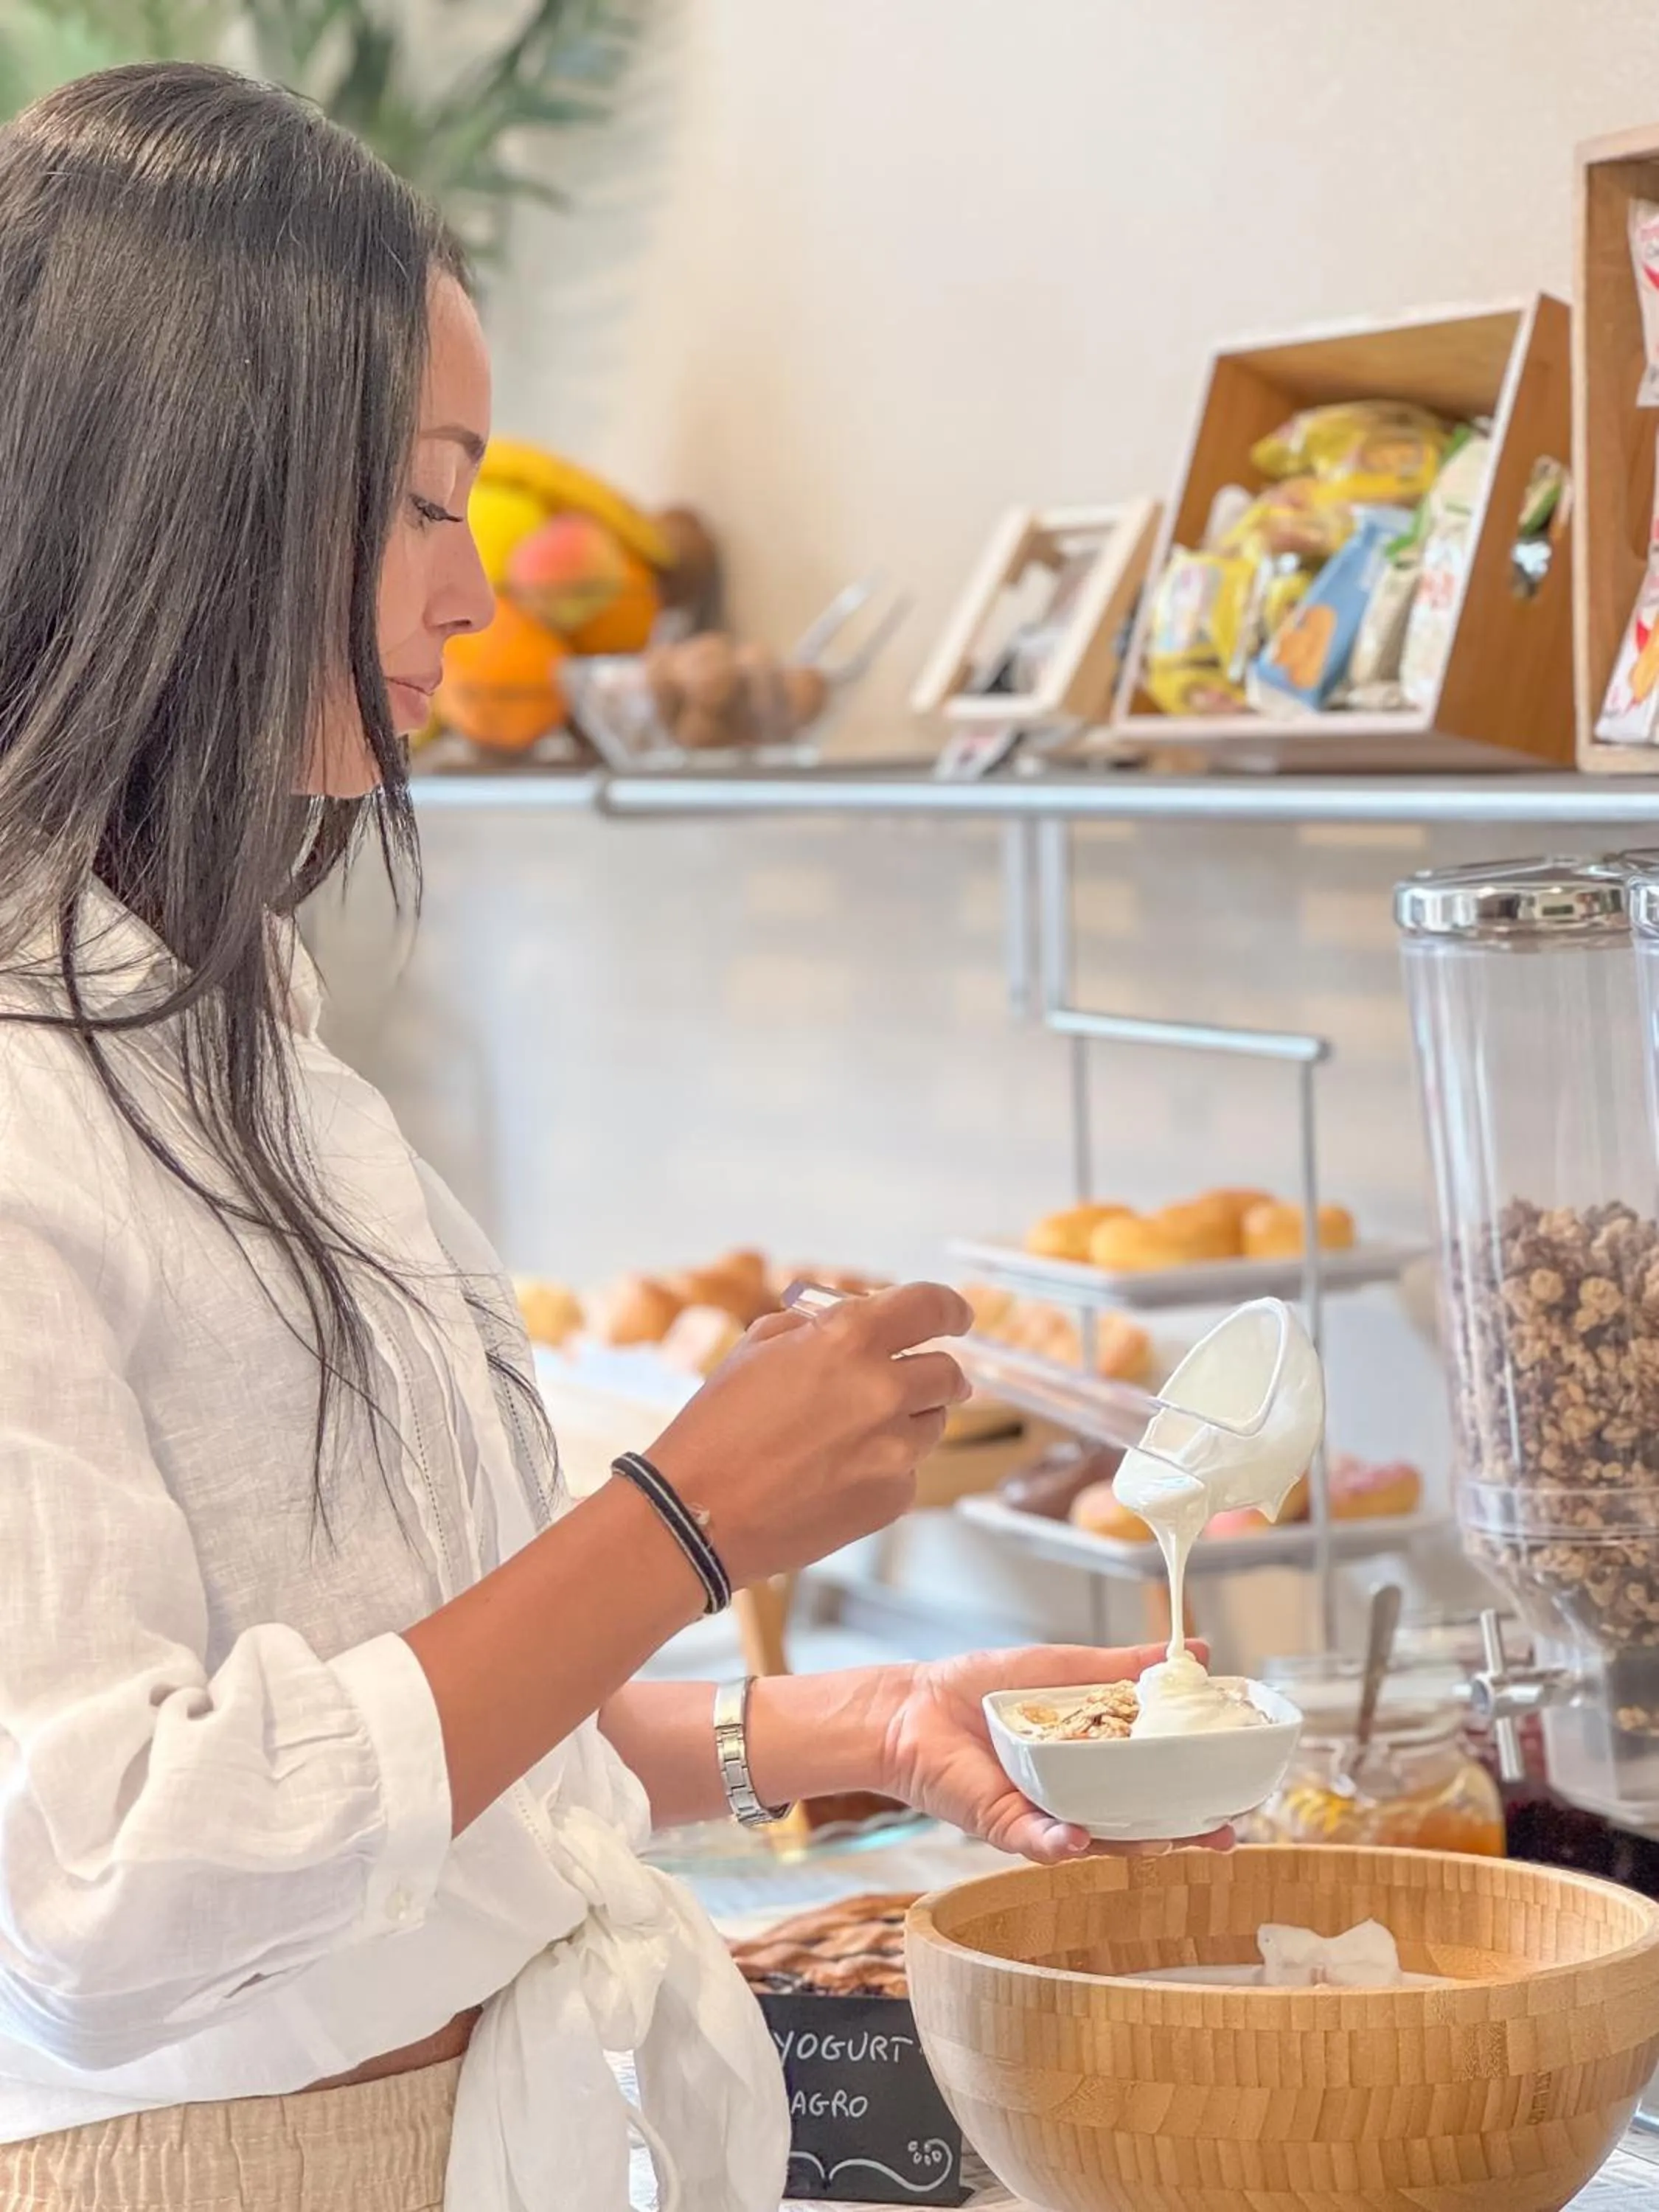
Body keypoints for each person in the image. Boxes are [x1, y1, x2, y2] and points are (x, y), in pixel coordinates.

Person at [0, 62, 1210, 2212]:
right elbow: (113, 1892)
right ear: (193, 491)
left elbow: (374, 1784)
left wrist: (845, 1727)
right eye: (423, 498)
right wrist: (679, 1522)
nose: (472, 594)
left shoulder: (225, 1012)